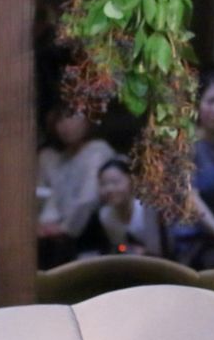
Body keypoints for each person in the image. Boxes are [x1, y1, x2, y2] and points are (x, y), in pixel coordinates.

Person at [168, 64, 214, 270]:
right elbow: (191, 198)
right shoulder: (186, 145)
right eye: (211, 102)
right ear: (197, 104)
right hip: (193, 243)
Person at [35, 103, 114, 268]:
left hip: (91, 238)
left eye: (73, 117)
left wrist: (64, 228)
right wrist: (46, 224)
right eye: (60, 120)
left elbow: (88, 199)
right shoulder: (54, 158)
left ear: (88, 121)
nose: (66, 125)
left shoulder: (97, 151)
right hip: (57, 240)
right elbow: (49, 196)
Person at [94, 156, 162, 257]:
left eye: (115, 182)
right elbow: (120, 246)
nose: (109, 189)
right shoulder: (105, 216)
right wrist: (126, 248)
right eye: (103, 184)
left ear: (132, 181)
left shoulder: (148, 209)